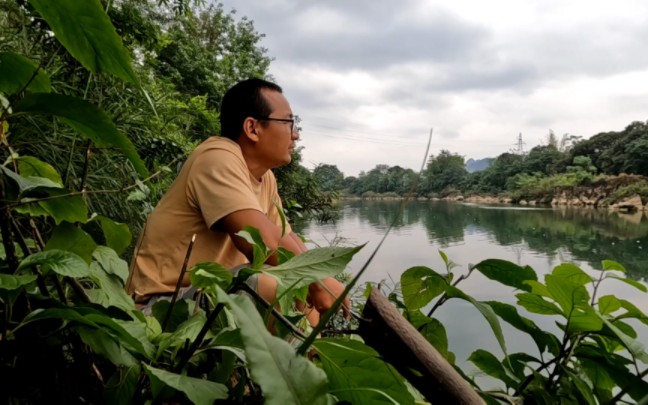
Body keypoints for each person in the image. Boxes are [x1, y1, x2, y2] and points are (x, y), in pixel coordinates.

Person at [126, 78, 349, 325]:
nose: (295, 135)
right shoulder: (217, 156)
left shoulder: (266, 179)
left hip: (206, 296)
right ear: (252, 128)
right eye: (288, 123)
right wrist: (316, 280)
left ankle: (307, 358)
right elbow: (259, 239)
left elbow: (285, 237)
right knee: (269, 285)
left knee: (296, 292)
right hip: (159, 308)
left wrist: (316, 279)